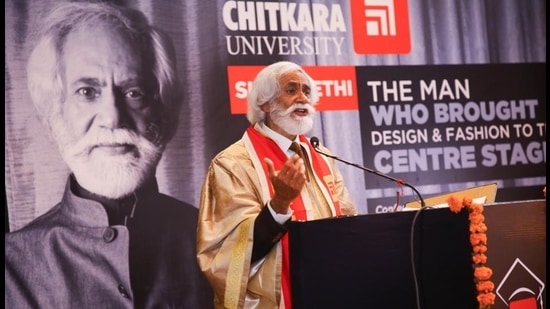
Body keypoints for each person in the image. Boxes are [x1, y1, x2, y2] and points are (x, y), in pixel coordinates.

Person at [5, 2, 213, 308]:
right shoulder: (12, 268)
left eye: (133, 93)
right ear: (53, 116)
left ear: (164, 114)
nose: (113, 118)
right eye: (87, 92)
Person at [197, 61, 357, 309]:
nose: (302, 98)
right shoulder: (233, 164)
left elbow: (347, 221)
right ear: (265, 103)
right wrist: (279, 204)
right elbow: (229, 254)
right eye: (291, 90)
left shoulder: (321, 157)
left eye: (306, 91)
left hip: (328, 291)